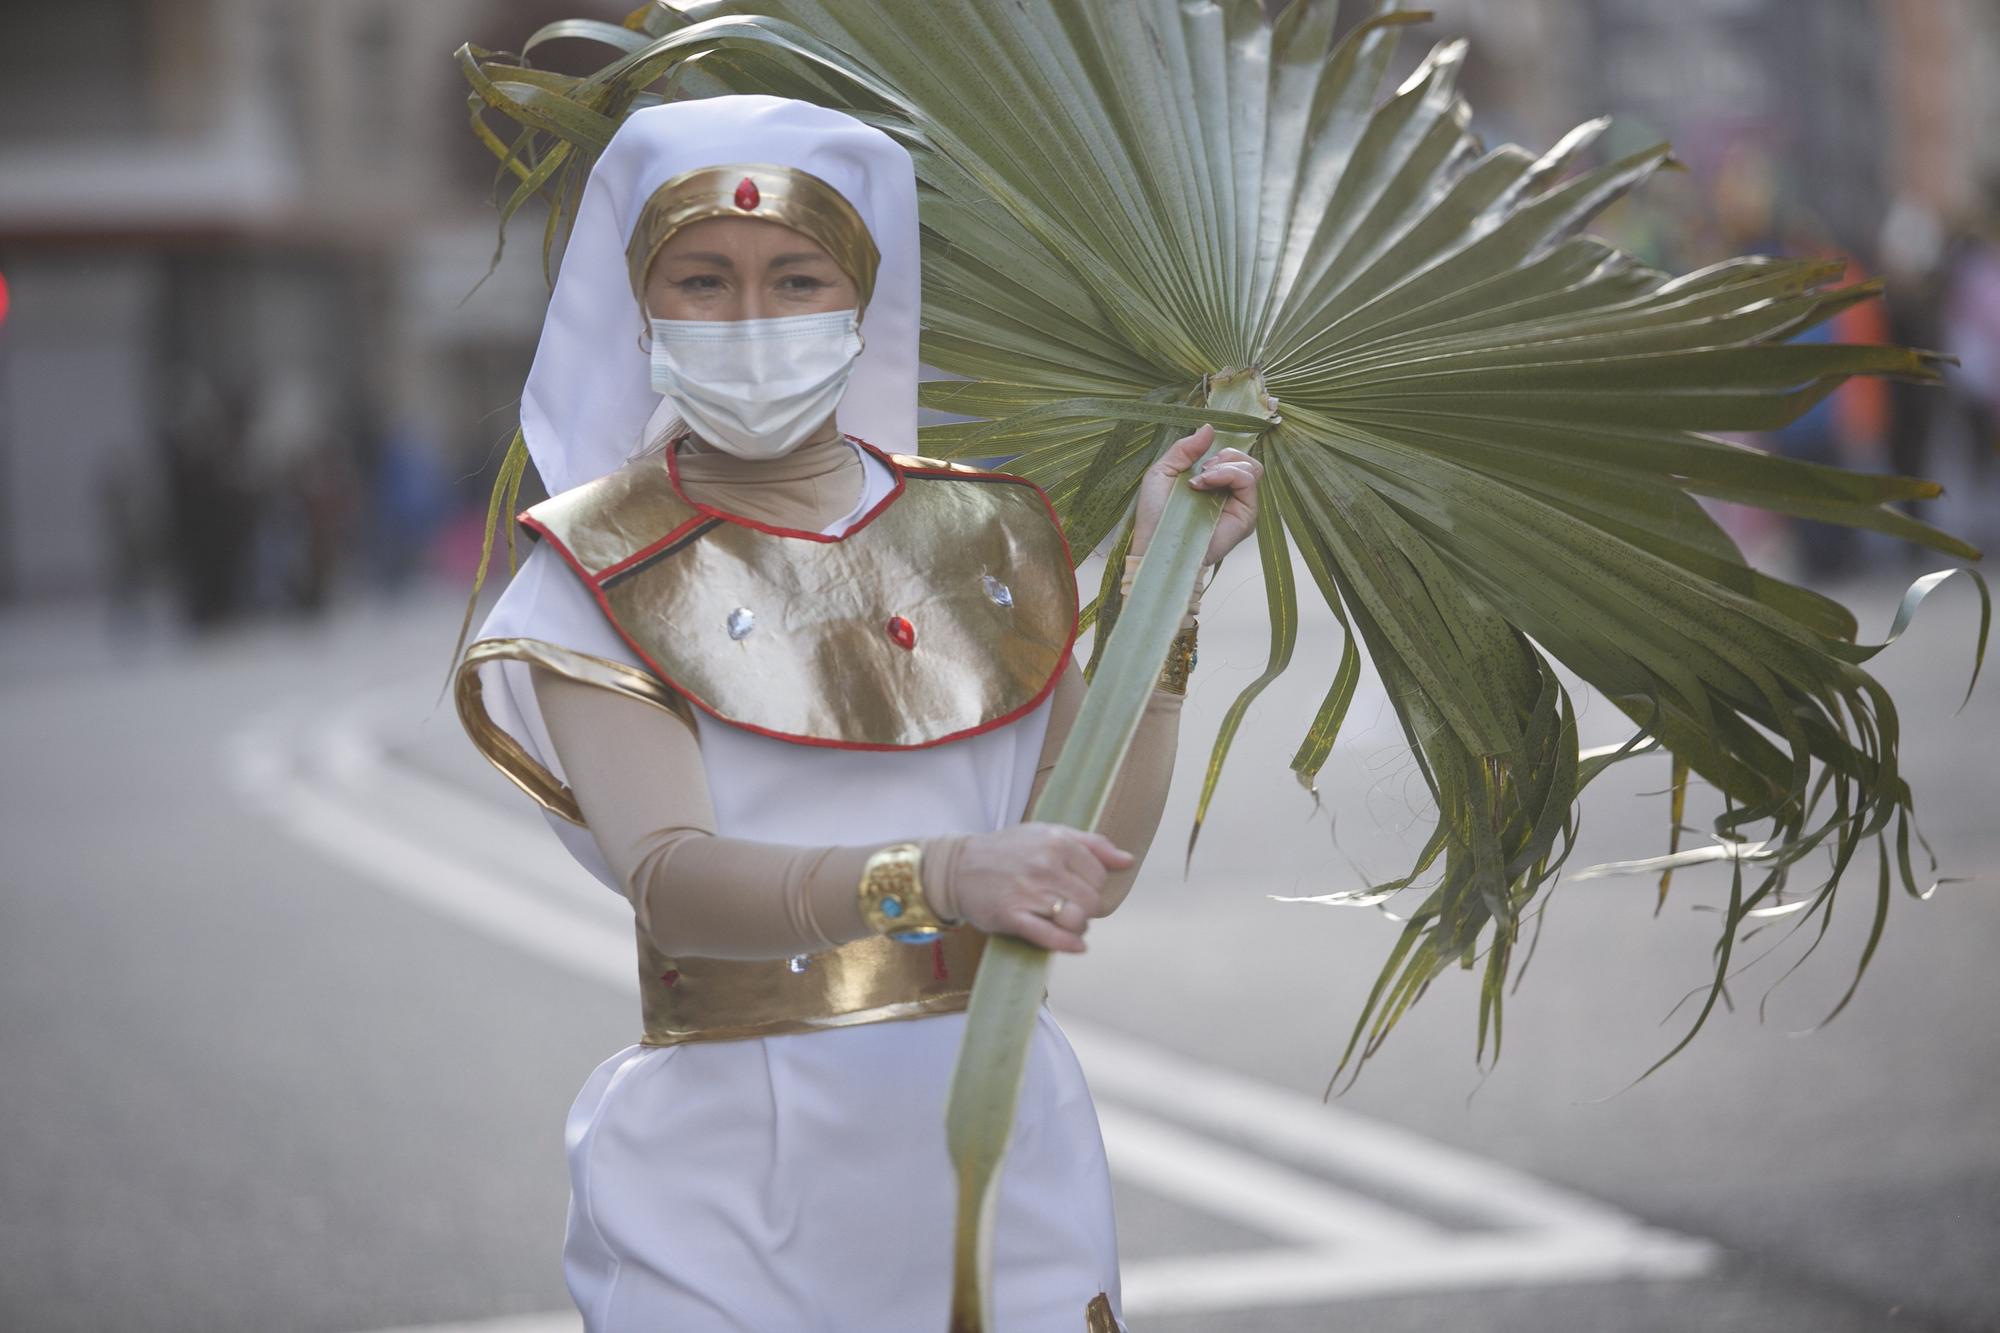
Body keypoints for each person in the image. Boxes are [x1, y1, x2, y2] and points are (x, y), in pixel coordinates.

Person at [452, 95, 1262, 1332]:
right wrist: (942, 871)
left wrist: (1162, 600)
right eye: (702, 280)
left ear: (859, 298)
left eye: (795, 278)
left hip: (1000, 1141)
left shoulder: (987, 529)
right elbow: (671, 880)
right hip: (727, 1172)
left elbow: (1084, 867)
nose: (751, 317)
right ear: (641, 307)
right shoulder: (590, 562)